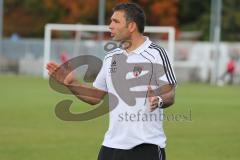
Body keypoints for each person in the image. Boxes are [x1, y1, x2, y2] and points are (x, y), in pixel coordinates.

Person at [47, 3, 177, 160]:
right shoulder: (111, 57)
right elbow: (95, 97)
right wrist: (71, 82)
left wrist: (159, 99)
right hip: (111, 147)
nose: (110, 26)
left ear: (131, 26)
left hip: (146, 147)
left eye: (115, 21)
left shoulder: (156, 54)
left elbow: (170, 93)